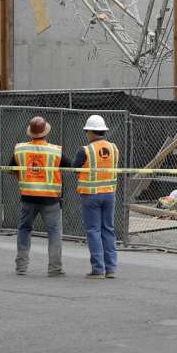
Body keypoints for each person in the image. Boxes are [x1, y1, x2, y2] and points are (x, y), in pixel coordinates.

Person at [12, 116, 76, 277]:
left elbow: (11, 169)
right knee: (54, 232)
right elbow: (71, 167)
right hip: (50, 200)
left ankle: (21, 267)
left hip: (27, 197)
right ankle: (54, 268)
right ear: (46, 132)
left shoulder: (20, 149)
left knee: (24, 229)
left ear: (30, 133)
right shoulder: (55, 151)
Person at [73, 115, 120, 279]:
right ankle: (111, 269)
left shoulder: (85, 150)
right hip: (109, 194)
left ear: (91, 132)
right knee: (108, 229)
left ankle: (98, 269)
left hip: (91, 196)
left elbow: (75, 167)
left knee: (93, 230)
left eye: (87, 132)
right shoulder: (114, 148)